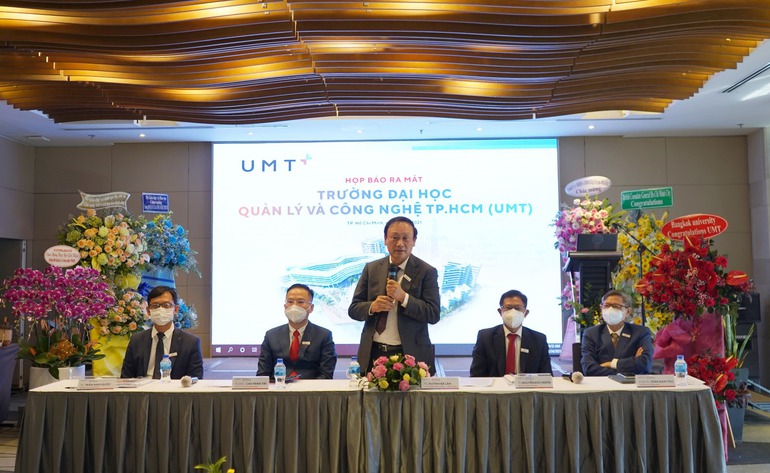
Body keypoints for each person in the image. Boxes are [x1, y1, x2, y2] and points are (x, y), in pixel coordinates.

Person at [348, 216, 440, 375]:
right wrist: (372, 307)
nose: (400, 243)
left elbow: (433, 314)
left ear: (414, 241)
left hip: (410, 354)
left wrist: (404, 298)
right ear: (385, 239)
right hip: (373, 352)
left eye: (405, 238)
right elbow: (354, 309)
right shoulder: (371, 268)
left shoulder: (426, 271)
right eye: (395, 237)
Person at [121, 285, 204, 379]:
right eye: (155, 306)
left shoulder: (190, 342)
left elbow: (195, 379)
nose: (161, 309)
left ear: (176, 309)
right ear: (148, 311)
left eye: (166, 305)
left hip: (174, 387)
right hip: (143, 387)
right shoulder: (137, 340)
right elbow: (126, 378)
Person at [257, 283, 337, 379]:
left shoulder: (324, 335)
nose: (294, 306)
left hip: (311, 387)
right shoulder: (271, 335)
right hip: (279, 386)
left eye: (300, 302)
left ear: (311, 308)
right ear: (285, 306)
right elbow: (263, 374)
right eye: (290, 301)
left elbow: (326, 374)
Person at [469, 289, 552, 376]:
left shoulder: (539, 339)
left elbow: (547, 376)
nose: (513, 312)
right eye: (508, 308)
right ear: (500, 311)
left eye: (518, 308)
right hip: (496, 385)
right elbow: (477, 375)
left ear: (526, 313)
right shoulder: (485, 337)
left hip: (527, 385)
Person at [581, 289, 654, 376]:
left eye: (616, 306)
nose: (610, 309)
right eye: (606, 305)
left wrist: (611, 364)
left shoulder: (640, 332)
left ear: (628, 311)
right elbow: (589, 369)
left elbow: (645, 364)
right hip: (601, 383)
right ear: (601, 308)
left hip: (631, 384)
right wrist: (631, 365)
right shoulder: (591, 334)